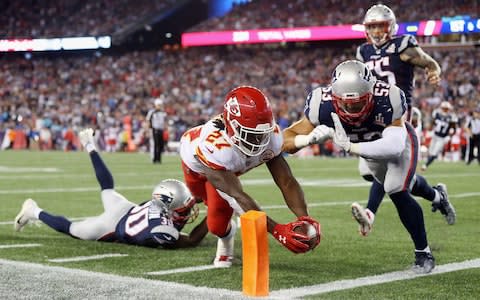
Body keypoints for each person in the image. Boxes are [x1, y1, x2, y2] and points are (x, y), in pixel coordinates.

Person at [283, 60, 453, 273]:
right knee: (400, 182)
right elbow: (285, 139)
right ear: (334, 97)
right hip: (367, 149)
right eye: (345, 103)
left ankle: (423, 253)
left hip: (399, 143)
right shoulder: (320, 103)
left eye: (358, 103)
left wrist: (352, 147)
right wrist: (305, 141)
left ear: (371, 94)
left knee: (396, 188)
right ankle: (438, 196)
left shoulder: (389, 97)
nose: (351, 108)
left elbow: (394, 146)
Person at [179, 85, 321, 267]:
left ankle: (225, 237)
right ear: (232, 127)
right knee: (200, 197)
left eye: (263, 134)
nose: (259, 141)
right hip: (198, 167)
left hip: (229, 169)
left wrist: (304, 218)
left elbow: (286, 181)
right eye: (251, 135)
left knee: (217, 225)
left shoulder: (271, 136)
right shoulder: (216, 146)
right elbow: (236, 196)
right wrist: (277, 230)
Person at [14, 128, 207, 249]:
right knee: (70, 228)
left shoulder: (163, 202)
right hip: (111, 225)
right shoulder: (163, 229)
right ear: (168, 211)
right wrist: (214, 217)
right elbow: (191, 240)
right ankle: (33, 211)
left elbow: (183, 200)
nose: (189, 210)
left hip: (125, 209)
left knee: (107, 188)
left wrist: (212, 195)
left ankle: (89, 145)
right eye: (184, 209)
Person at [353, 3, 444, 230]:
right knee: (382, 175)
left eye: (380, 26)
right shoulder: (363, 52)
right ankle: (436, 196)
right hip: (373, 119)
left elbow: (428, 61)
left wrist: (433, 70)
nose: (376, 32)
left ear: (390, 26)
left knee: (391, 176)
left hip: (400, 119)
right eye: (372, 27)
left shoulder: (403, 45)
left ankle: (370, 214)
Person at [421, 101, 458, 171]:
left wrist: (450, 135)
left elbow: (454, 128)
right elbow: (433, 122)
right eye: (444, 108)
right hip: (435, 136)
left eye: (446, 109)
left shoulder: (451, 117)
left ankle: (425, 165)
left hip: (442, 138)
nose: (445, 110)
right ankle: (427, 162)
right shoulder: (437, 114)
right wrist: (430, 128)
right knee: (431, 152)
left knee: (434, 153)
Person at [146, 97, 167, 164]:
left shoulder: (163, 112)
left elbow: (165, 121)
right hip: (154, 129)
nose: (160, 106)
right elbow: (148, 121)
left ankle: (158, 158)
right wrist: (149, 130)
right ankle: (155, 159)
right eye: (159, 105)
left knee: (161, 145)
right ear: (156, 105)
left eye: (160, 105)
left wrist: (166, 128)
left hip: (161, 130)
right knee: (156, 144)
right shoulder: (152, 112)